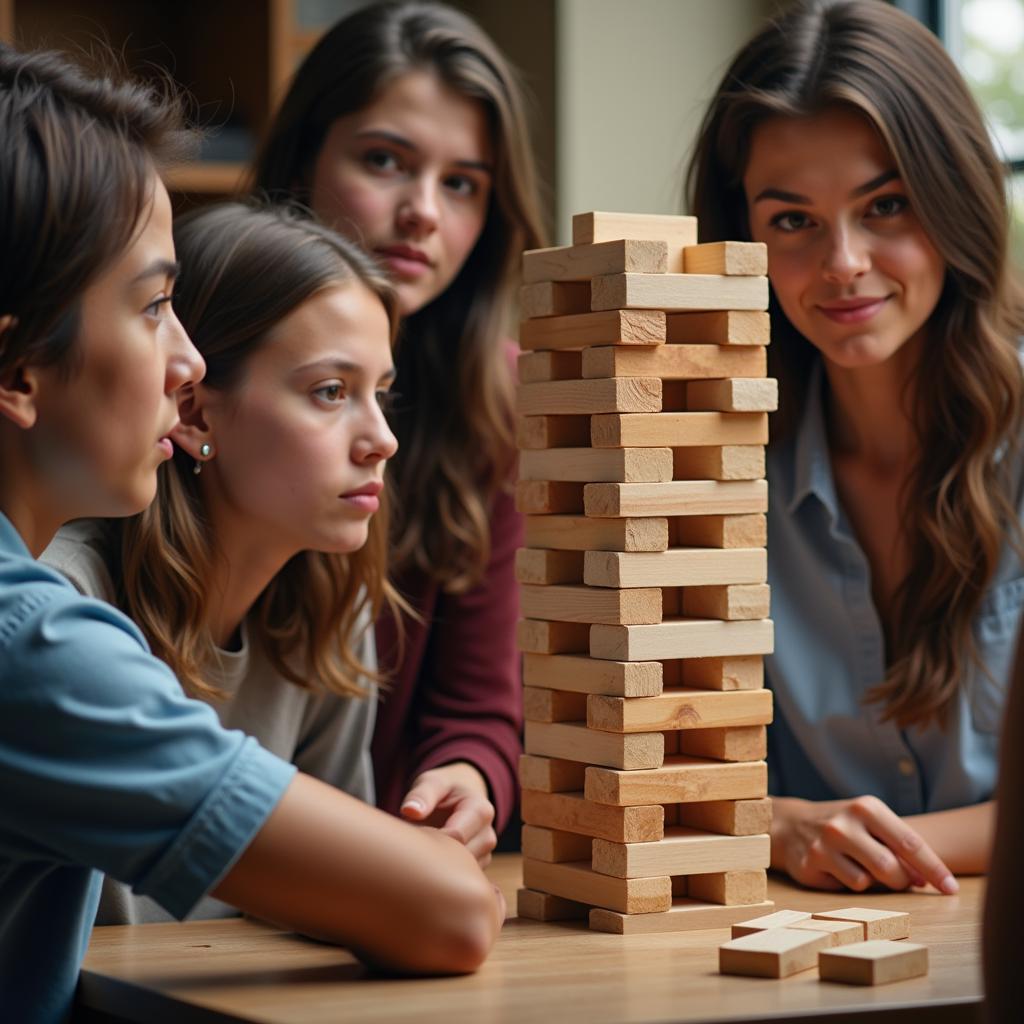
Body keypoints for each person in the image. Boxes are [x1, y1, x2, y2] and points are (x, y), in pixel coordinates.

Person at [0, 43, 501, 1022]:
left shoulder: (318, 613)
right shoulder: (36, 637)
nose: (184, 361)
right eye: (152, 308)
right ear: (17, 372)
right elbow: (438, 908)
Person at [685, 0, 1023, 893]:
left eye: (886, 206)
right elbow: (640, 758)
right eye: (792, 220)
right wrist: (775, 824)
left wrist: (832, 840)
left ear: (954, 200)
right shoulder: (702, 463)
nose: (842, 263)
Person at [42, 199, 404, 924]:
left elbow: (348, 898)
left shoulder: (330, 610)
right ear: (197, 414)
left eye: (381, 393)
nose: (382, 440)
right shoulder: (64, 605)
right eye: (330, 392)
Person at [254, 0, 546, 861]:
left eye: (462, 183)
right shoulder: (191, 364)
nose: (423, 211)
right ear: (305, 156)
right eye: (385, 161)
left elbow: (479, 704)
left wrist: (470, 777)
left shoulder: (504, 396)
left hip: (382, 869)